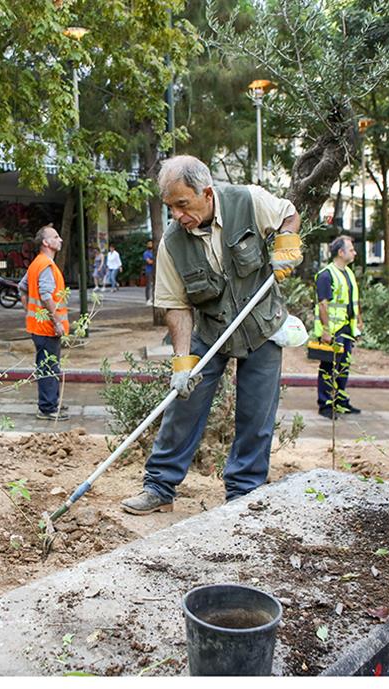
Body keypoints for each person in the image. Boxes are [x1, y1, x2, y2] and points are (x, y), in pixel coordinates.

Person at [120, 155, 303, 514]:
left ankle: (242, 495)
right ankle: (159, 486)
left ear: (206, 192)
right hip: (210, 327)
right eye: (169, 207)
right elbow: (176, 306)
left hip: (261, 324)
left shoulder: (246, 201)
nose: (176, 215)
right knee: (184, 405)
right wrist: (182, 363)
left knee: (256, 415)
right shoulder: (172, 243)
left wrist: (286, 244)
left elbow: (288, 213)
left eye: (182, 204)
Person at [18, 225, 70, 421]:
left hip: (38, 326)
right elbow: (47, 295)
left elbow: (21, 288)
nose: (60, 240)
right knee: (49, 366)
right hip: (47, 328)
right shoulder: (46, 266)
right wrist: (57, 321)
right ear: (46, 243)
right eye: (56, 237)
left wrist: (28, 311)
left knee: (47, 365)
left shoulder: (36, 264)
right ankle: (48, 408)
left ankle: (51, 402)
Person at [313, 236, 363, 419]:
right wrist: (326, 331)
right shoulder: (326, 275)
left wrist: (358, 320)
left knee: (343, 367)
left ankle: (341, 401)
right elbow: (323, 305)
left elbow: (353, 300)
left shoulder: (348, 273)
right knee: (328, 367)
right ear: (340, 253)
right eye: (351, 249)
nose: (354, 252)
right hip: (333, 331)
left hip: (346, 329)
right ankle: (325, 404)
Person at [143, 239, 156, 304]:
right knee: (148, 285)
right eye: (149, 244)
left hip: (155, 270)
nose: (150, 245)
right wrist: (155, 261)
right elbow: (149, 262)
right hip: (149, 270)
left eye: (151, 243)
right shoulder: (146, 253)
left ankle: (154, 298)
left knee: (155, 285)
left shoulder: (154, 252)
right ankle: (148, 299)